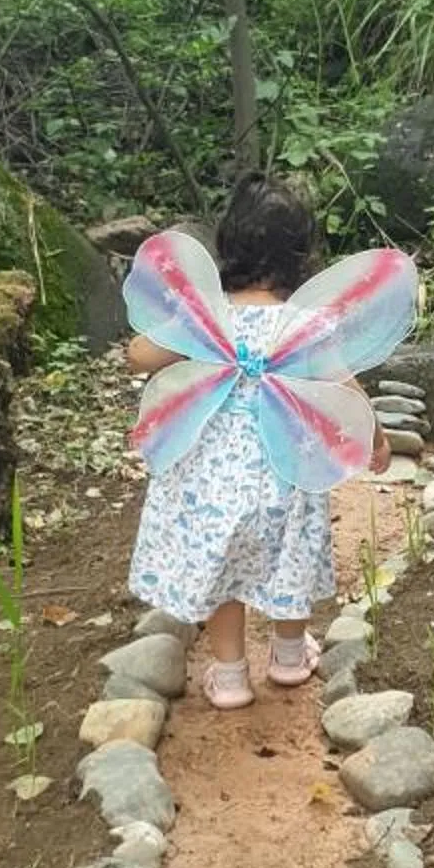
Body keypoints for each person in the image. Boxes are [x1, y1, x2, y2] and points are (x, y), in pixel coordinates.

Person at [126, 176, 391, 709]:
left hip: (211, 477)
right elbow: (346, 386)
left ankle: (229, 676)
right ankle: (290, 656)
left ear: (227, 246)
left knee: (226, 568)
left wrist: (184, 332)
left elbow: (139, 356)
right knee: (288, 553)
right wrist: (376, 438)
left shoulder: (206, 318)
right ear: (298, 255)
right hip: (284, 467)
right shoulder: (302, 322)